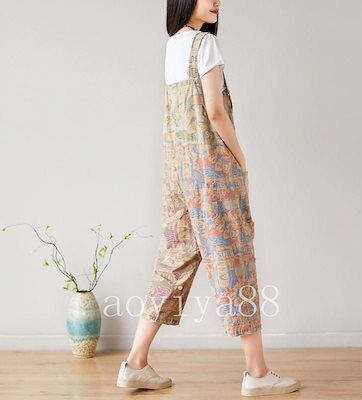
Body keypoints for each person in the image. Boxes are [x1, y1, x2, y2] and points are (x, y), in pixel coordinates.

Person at [116, 0, 301, 396]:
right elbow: (215, 112)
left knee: (172, 263)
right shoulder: (205, 45)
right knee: (235, 260)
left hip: (180, 175)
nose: (217, 0)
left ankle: (135, 363)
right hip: (213, 173)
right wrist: (241, 158)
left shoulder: (173, 46)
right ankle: (257, 373)